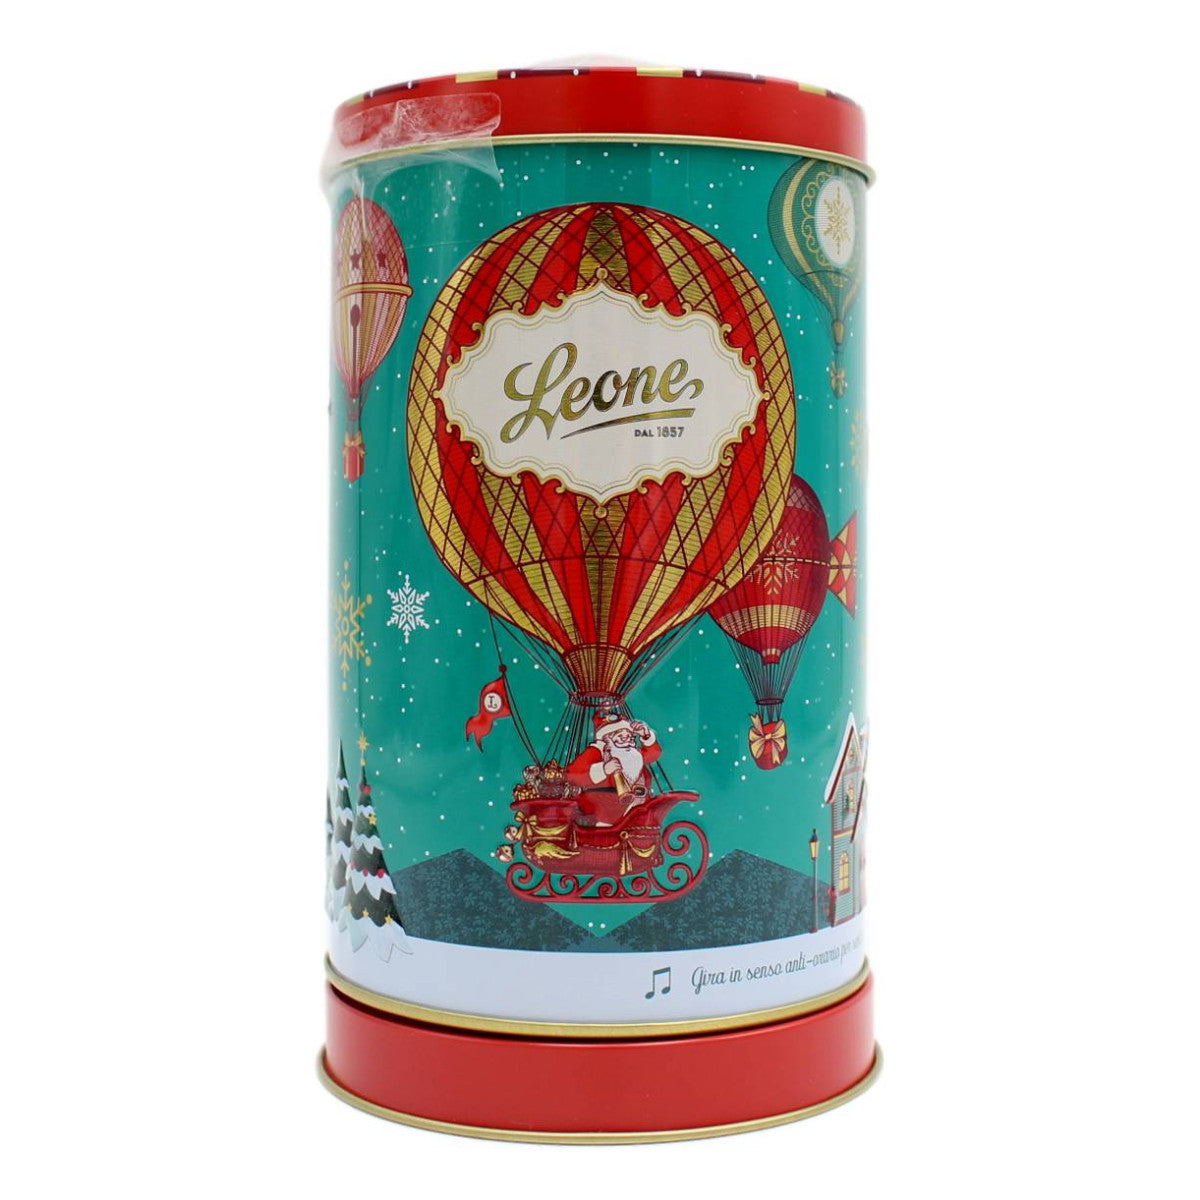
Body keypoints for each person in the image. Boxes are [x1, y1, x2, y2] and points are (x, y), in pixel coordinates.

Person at [565, 711, 662, 827]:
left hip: (637, 808)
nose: (628, 740)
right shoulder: (596, 752)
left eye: (629, 736)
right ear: (607, 739)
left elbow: (653, 754)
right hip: (605, 812)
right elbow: (573, 775)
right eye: (621, 737)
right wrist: (604, 769)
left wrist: (646, 735)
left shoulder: (633, 754)